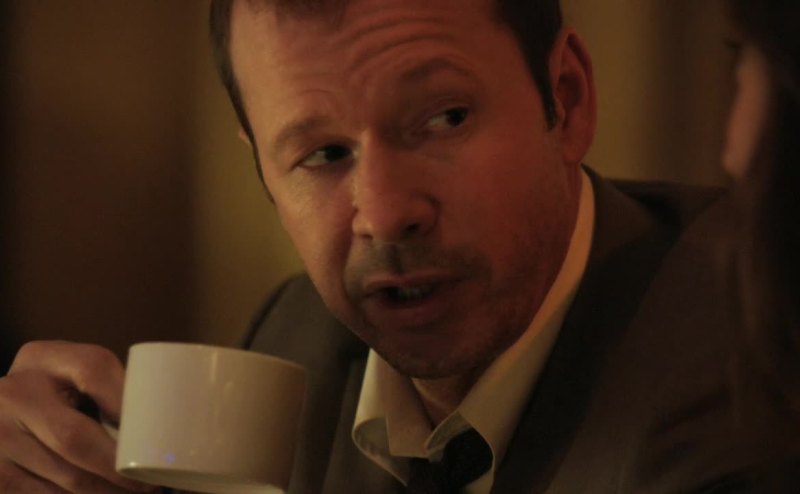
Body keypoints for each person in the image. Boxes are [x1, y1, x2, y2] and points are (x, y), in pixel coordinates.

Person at [0, 0, 790, 492]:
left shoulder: (763, 346)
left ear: (568, 101)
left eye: (444, 119)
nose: (384, 215)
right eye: (322, 154)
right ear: (263, 173)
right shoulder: (293, 337)